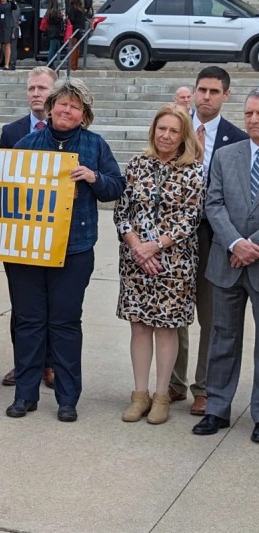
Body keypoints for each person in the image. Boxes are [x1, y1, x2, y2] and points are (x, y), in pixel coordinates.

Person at [8, 78, 125, 422]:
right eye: (62, 103)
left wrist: (94, 178)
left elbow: (116, 187)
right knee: (29, 322)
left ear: (84, 114)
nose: (67, 110)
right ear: (51, 106)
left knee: (65, 323)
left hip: (74, 249)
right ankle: (24, 395)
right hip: (29, 249)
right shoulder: (27, 144)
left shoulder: (95, 146)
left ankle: (67, 399)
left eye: (75, 107)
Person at [114, 104, 204, 425]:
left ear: (183, 136)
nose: (165, 135)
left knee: (166, 329)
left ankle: (162, 395)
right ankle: (140, 395)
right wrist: (138, 247)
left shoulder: (193, 170)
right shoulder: (138, 164)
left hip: (174, 264)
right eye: (161, 129)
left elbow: (190, 218)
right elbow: (121, 211)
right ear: (153, 130)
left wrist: (156, 246)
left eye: (173, 131)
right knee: (139, 327)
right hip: (135, 262)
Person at [171, 66, 247, 415]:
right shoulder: (173, 129)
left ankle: (204, 388)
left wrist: (233, 241)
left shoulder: (236, 137)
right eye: (202, 89)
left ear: (226, 95)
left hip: (215, 237)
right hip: (174, 236)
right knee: (174, 310)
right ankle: (174, 382)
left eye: (214, 92)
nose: (206, 97)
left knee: (211, 316)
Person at [191, 89, 259, 445]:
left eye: (258, 113)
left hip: (257, 259)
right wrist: (235, 242)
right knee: (222, 338)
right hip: (226, 260)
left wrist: (252, 246)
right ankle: (216, 408)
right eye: (248, 113)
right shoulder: (225, 155)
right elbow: (212, 203)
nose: (253, 119)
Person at [0, 66, 58, 389]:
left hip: (52, 229)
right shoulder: (11, 132)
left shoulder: (66, 128)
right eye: (32, 88)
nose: (36, 93)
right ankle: (24, 363)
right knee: (22, 304)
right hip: (18, 232)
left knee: (53, 302)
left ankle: (49, 364)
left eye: (43, 88)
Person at [0, 0, 16, 70]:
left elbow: (15, 7)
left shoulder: (10, 4)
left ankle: (6, 64)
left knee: (7, 44)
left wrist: (12, 1)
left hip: (8, 26)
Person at [43, 0, 65, 66]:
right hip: (55, 32)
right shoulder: (55, 12)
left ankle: (51, 62)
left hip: (51, 32)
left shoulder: (49, 12)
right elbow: (57, 21)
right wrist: (62, 17)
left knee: (55, 48)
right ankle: (50, 63)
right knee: (53, 48)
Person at [66, 0, 86, 70]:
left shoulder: (72, 9)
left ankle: (73, 65)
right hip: (80, 30)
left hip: (74, 30)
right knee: (77, 49)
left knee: (73, 49)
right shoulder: (81, 9)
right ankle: (75, 65)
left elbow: (71, 19)